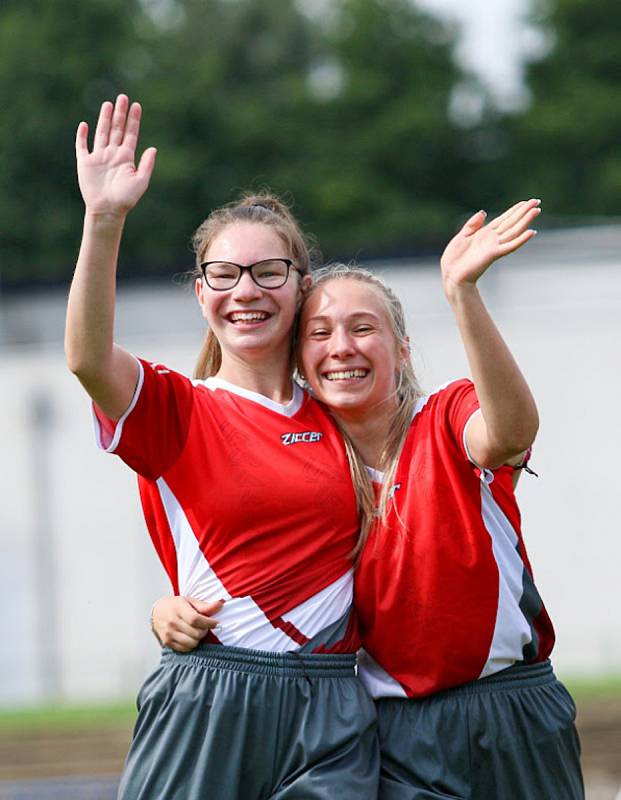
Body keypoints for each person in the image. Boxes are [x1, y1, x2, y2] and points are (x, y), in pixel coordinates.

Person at [154, 200, 584, 798]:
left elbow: (510, 432)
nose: (342, 347)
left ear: (401, 348)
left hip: (511, 705)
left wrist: (462, 294)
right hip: (397, 730)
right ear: (302, 360)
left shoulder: (446, 418)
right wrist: (170, 608)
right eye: (320, 334)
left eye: (363, 329)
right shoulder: (309, 469)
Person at [65, 94, 379, 800]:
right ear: (200, 292)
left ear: (302, 287)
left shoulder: (348, 415)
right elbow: (87, 357)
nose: (247, 291)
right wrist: (104, 220)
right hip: (211, 694)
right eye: (224, 274)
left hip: (333, 703)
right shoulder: (179, 409)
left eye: (268, 272)